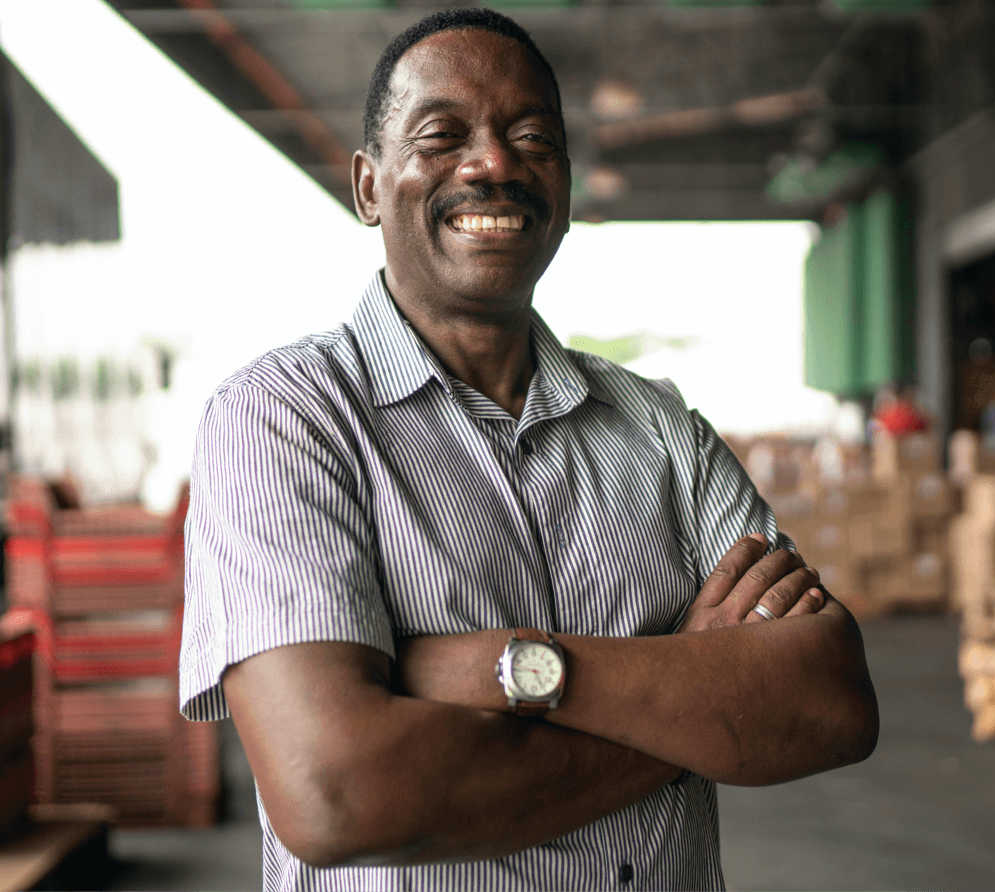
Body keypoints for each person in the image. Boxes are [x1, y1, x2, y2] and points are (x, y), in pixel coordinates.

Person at [179, 9, 878, 892]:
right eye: (442, 135)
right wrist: (681, 698)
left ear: (566, 184)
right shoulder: (284, 421)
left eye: (532, 137)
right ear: (367, 187)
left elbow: (830, 701)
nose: (495, 164)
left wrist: (497, 665)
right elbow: (337, 795)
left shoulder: (661, 430)